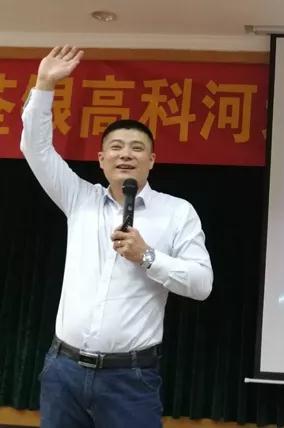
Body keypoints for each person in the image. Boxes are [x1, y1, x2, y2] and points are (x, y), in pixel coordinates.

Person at [20, 46, 213, 428]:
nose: (126, 154)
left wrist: (148, 257)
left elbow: (201, 284)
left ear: (152, 161)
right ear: (101, 159)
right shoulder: (79, 199)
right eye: (116, 148)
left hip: (130, 378)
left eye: (137, 148)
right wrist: (44, 85)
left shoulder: (177, 212)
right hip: (63, 371)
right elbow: (35, 148)